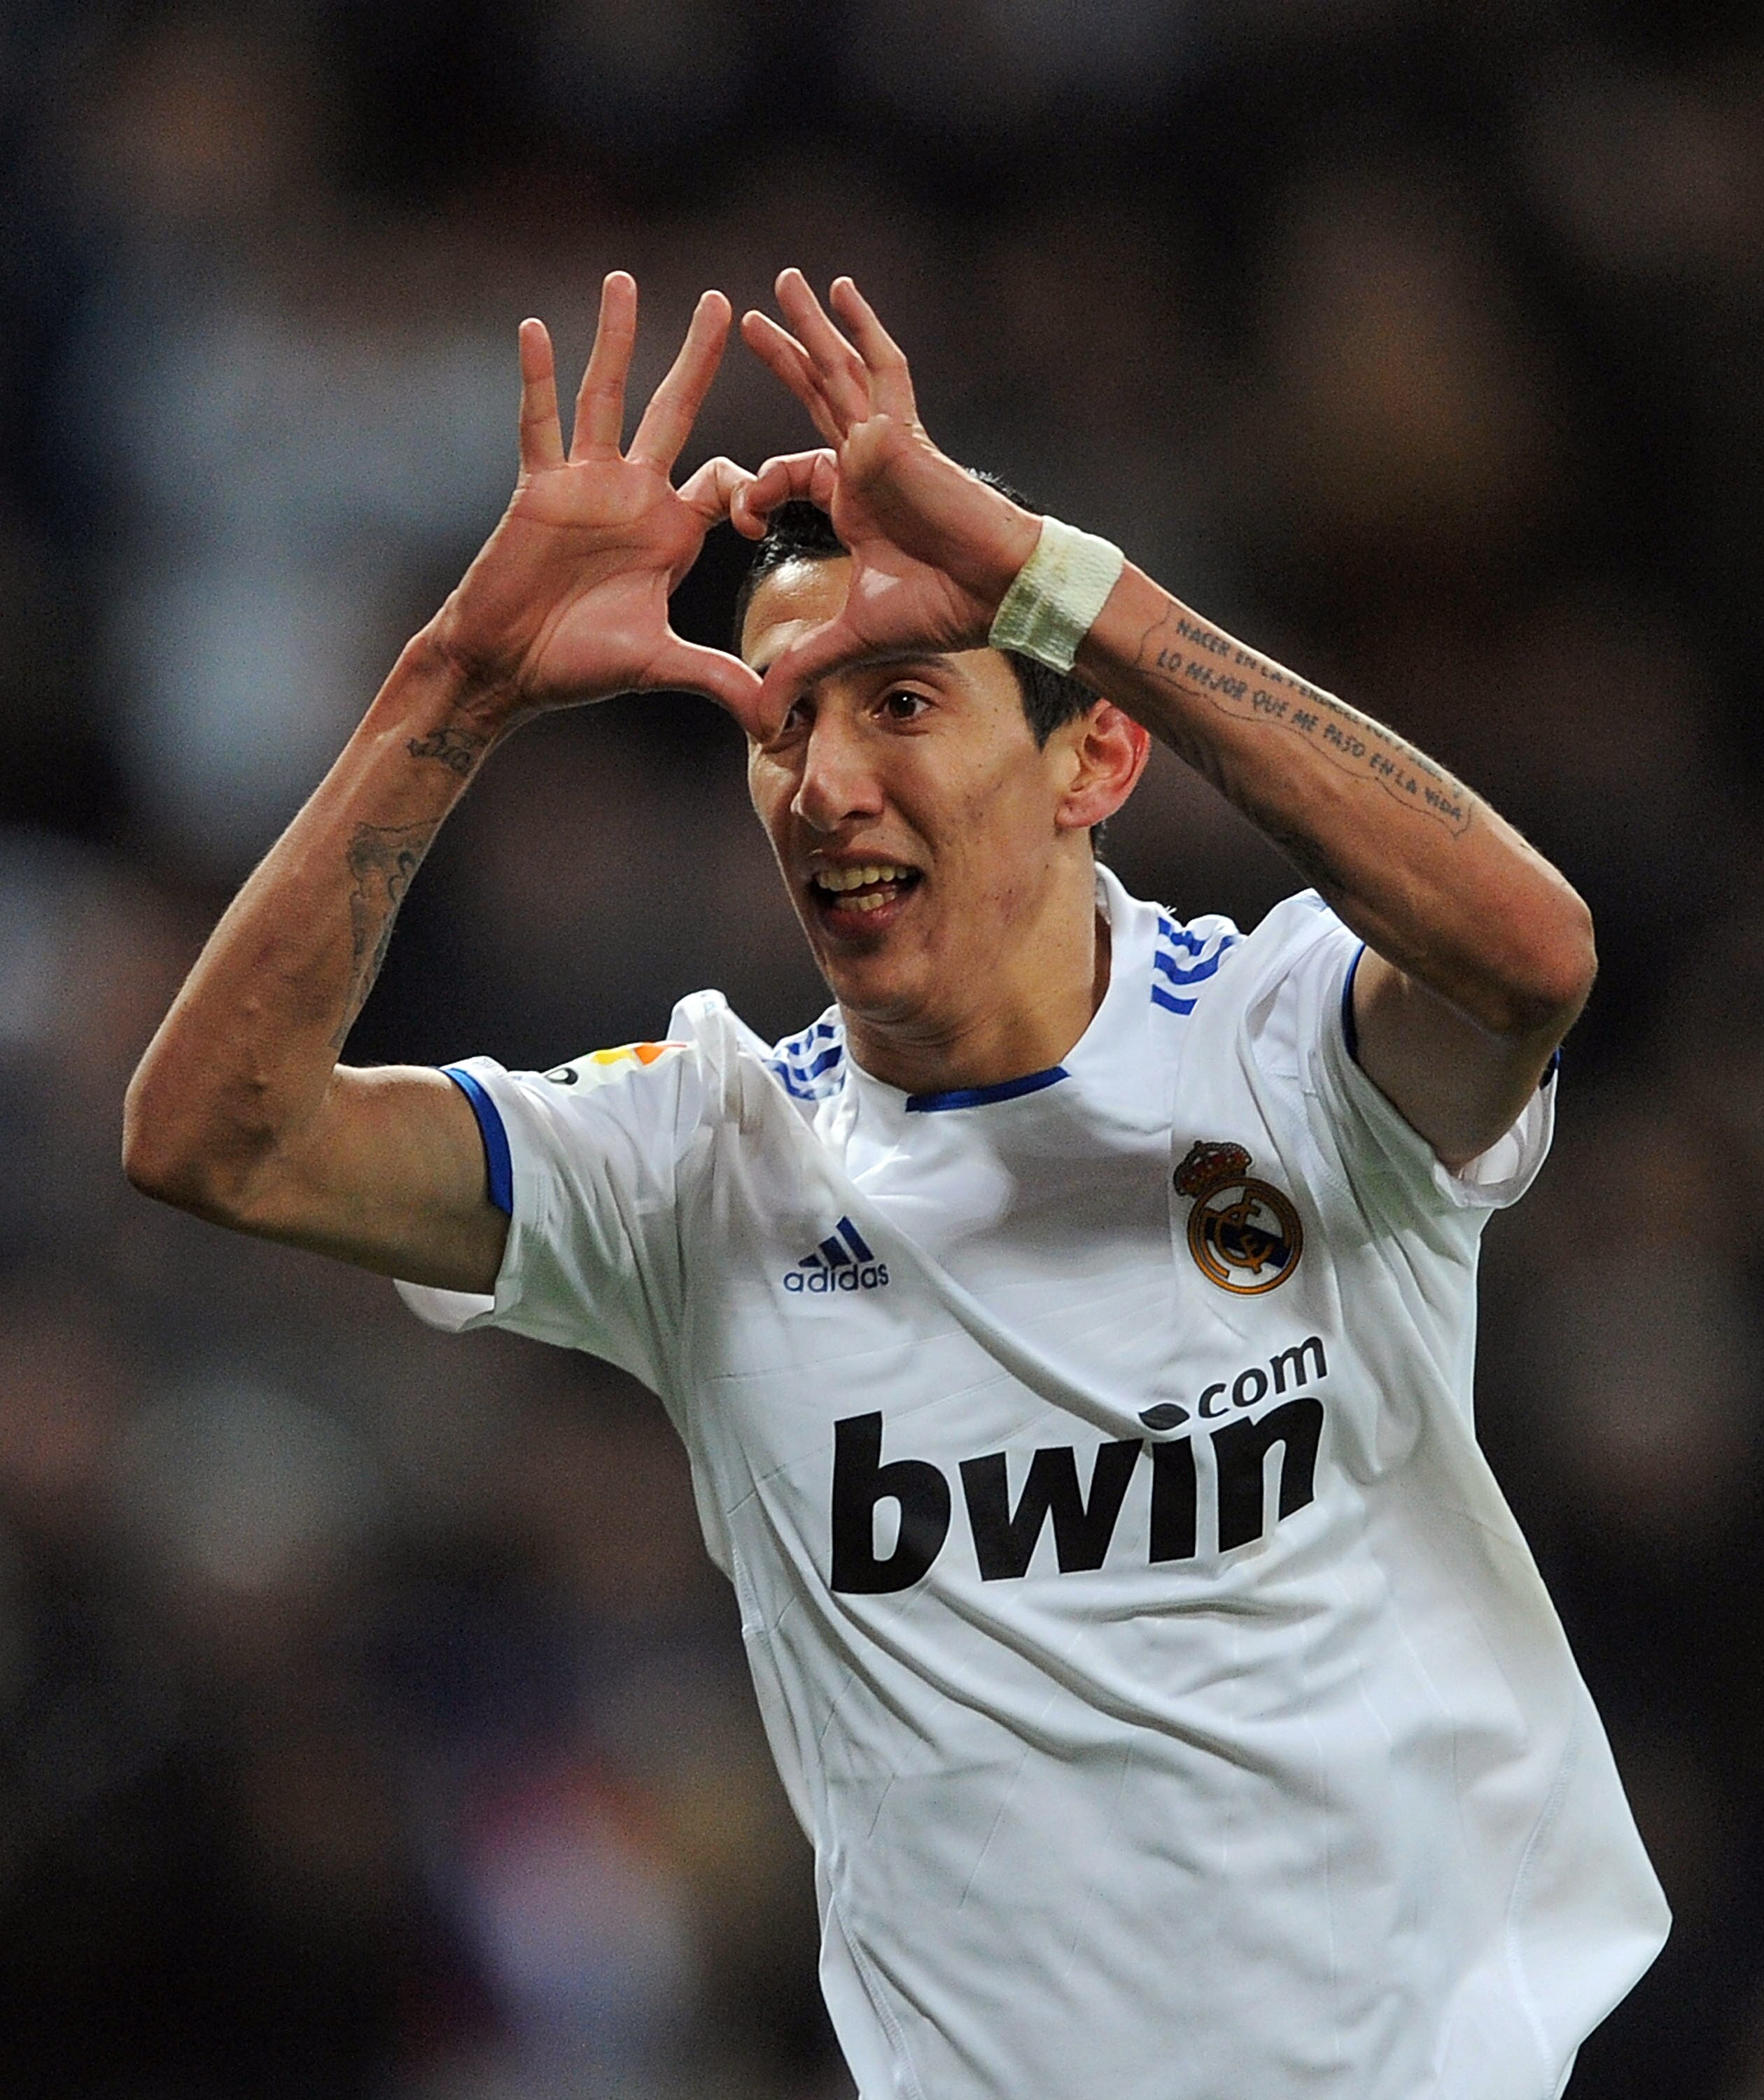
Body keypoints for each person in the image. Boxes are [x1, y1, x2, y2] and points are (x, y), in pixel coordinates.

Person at [125, 268, 1668, 2099]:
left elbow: (1532, 952)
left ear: (1093, 753)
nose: (824, 781)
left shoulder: (1286, 1045)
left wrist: (1067, 587)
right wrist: (455, 681)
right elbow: (212, 1133)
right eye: (781, 722)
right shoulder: (699, 1155)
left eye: (904, 701)